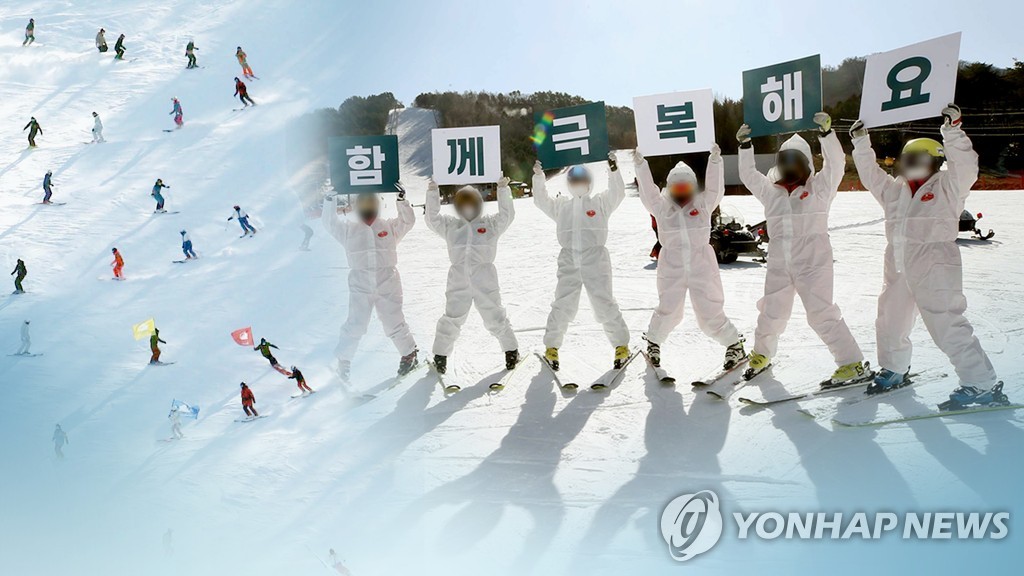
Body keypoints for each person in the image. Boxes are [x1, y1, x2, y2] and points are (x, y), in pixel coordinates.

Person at [850, 104, 1002, 400]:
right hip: (897, 262)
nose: (910, 165)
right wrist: (860, 142)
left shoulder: (948, 186)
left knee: (946, 322)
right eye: (907, 160)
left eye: (918, 160)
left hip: (935, 263)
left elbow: (967, 167)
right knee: (890, 319)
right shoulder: (895, 189)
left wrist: (953, 130)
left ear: (934, 162)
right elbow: (870, 174)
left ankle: (981, 383)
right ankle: (894, 368)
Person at [736, 112, 867, 386]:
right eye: (785, 160)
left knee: (821, 313)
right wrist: (745, 146)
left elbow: (836, 165)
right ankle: (761, 354)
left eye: (796, 160)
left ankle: (852, 363)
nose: (790, 166)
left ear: (807, 164)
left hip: (814, 260)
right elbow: (748, 175)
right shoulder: (771, 191)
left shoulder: (820, 188)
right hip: (779, 262)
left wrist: (827, 136)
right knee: (771, 310)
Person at [635, 145, 746, 371]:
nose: (682, 191)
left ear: (693, 187)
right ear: (670, 188)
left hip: (701, 263)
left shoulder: (703, 204)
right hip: (671, 264)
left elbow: (716, 188)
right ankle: (654, 343)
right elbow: (647, 191)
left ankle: (734, 345)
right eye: (677, 186)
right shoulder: (661, 207)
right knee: (669, 308)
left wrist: (715, 161)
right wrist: (640, 164)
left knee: (710, 309)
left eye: (686, 186)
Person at [533, 153, 630, 370]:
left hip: (595, 258)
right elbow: (540, 200)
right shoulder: (561, 206)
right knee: (562, 304)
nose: (578, 183)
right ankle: (552, 348)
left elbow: (618, 193)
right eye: (574, 180)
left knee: (604, 302)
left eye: (582, 180)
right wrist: (538, 177)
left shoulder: (600, 202)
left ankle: (621, 346)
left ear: (589, 183)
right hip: (568, 259)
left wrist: (614, 170)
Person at [322, 187, 418, 380]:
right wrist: (330, 200)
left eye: (371, 203)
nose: (368, 207)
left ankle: (409, 354)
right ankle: (343, 362)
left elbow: (408, 221)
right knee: (356, 323)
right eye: (364, 203)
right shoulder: (349, 229)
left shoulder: (388, 227)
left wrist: (401, 200)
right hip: (360, 283)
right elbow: (330, 223)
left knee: (393, 320)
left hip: (387, 280)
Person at [425, 175, 518, 374]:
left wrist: (503, 190)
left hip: (484, 277)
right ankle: (440, 356)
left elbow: (507, 215)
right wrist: (433, 192)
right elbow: (432, 220)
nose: (467, 206)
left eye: (471, 202)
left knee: (494, 315)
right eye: (463, 203)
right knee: (452, 317)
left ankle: (511, 351)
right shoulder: (451, 226)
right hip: (458, 278)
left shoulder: (490, 224)